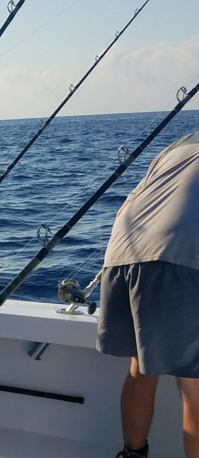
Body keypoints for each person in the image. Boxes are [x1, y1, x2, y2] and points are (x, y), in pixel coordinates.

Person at [97, 130, 199, 458]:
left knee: (142, 366)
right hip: (178, 255)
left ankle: (132, 454)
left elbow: (124, 208)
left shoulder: (180, 145)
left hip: (122, 252)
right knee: (194, 385)